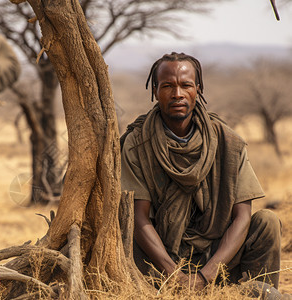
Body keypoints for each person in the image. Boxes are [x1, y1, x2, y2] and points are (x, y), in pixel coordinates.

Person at [120, 52, 281, 290]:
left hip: (218, 259)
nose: (177, 94)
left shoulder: (227, 141)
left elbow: (242, 217)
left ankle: (257, 293)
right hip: (159, 259)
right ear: (155, 91)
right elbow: (139, 218)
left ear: (198, 88)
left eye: (186, 85)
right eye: (167, 86)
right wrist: (175, 276)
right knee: (118, 230)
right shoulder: (137, 143)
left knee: (267, 222)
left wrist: (205, 276)